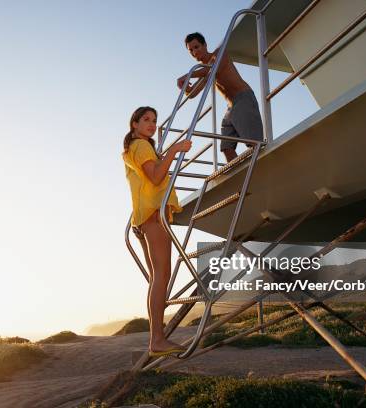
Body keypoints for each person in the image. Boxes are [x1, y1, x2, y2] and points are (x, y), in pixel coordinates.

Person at [122, 106, 192, 357]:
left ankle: (156, 339)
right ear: (135, 124)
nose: (152, 124)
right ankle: (157, 340)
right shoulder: (140, 146)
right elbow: (154, 177)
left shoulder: (138, 148)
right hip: (151, 217)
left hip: (144, 218)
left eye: (154, 120)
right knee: (162, 274)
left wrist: (166, 155)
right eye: (146, 120)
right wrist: (174, 150)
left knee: (157, 278)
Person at [177, 32, 263, 162]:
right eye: (191, 50)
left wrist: (188, 75)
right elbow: (193, 93)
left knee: (253, 142)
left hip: (243, 98)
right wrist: (186, 89)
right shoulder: (205, 70)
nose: (194, 52)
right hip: (231, 107)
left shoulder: (219, 54)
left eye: (196, 47)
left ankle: (260, 167)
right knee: (226, 147)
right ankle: (239, 174)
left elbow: (213, 68)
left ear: (205, 45)